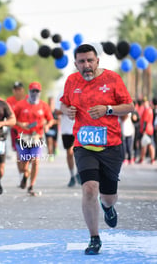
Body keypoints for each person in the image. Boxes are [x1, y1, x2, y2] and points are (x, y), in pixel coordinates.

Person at [60, 44, 134, 255]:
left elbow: (129, 106)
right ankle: (94, 238)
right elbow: (63, 105)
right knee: (89, 188)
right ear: (76, 64)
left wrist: (107, 109)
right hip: (84, 145)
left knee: (108, 196)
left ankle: (108, 207)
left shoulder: (112, 79)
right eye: (82, 62)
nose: (86, 65)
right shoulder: (71, 81)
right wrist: (68, 111)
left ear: (97, 61)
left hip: (111, 146)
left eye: (90, 60)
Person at [13, 82, 54, 196]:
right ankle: (25, 175)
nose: (34, 93)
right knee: (23, 164)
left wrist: (47, 125)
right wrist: (21, 125)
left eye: (37, 91)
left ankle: (31, 185)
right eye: (33, 91)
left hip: (37, 137)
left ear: (39, 93)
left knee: (35, 161)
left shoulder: (44, 105)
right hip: (22, 138)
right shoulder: (20, 105)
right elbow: (12, 119)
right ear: (29, 91)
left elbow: (50, 119)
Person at [55, 90, 79, 187]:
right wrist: (67, 109)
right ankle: (72, 175)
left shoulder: (80, 92)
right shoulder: (62, 94)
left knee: (79, 152)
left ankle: (79, 173)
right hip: (67, 129)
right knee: (69, 152)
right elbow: (57, 111)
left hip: (79, 127)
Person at [6, 81, 26, 162]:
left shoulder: (27, 99)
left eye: (19, 89)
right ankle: (22, 172)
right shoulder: (9, 101)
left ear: (23, 90)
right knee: (18, 150)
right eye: (15, 89)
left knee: (28, 150)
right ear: (13, 90)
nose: (17, 91)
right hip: (15, 129)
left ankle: (25, 168)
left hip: (27, 129)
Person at [138, 98, 155, 164]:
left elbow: (145, 121)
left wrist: (144, 130)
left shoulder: (147, 110)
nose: (144, 104)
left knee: (144, 144)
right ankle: (152, 159)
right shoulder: (150, 110)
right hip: (150, 129)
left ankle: (142, 159)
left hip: (147, 130)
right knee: (149, 144)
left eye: (145, 102)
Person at [45, 96, 59, 162]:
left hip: (55, 129)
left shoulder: (56, 111)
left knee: (54, 143)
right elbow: (43, 119)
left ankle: (54, 150)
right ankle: (50, 155)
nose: (51, 103)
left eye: (52, 102)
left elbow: (59, 121)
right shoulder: (46, 110)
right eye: (50, 101)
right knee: (49, 142)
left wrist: (54, 121)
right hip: (48, 129)